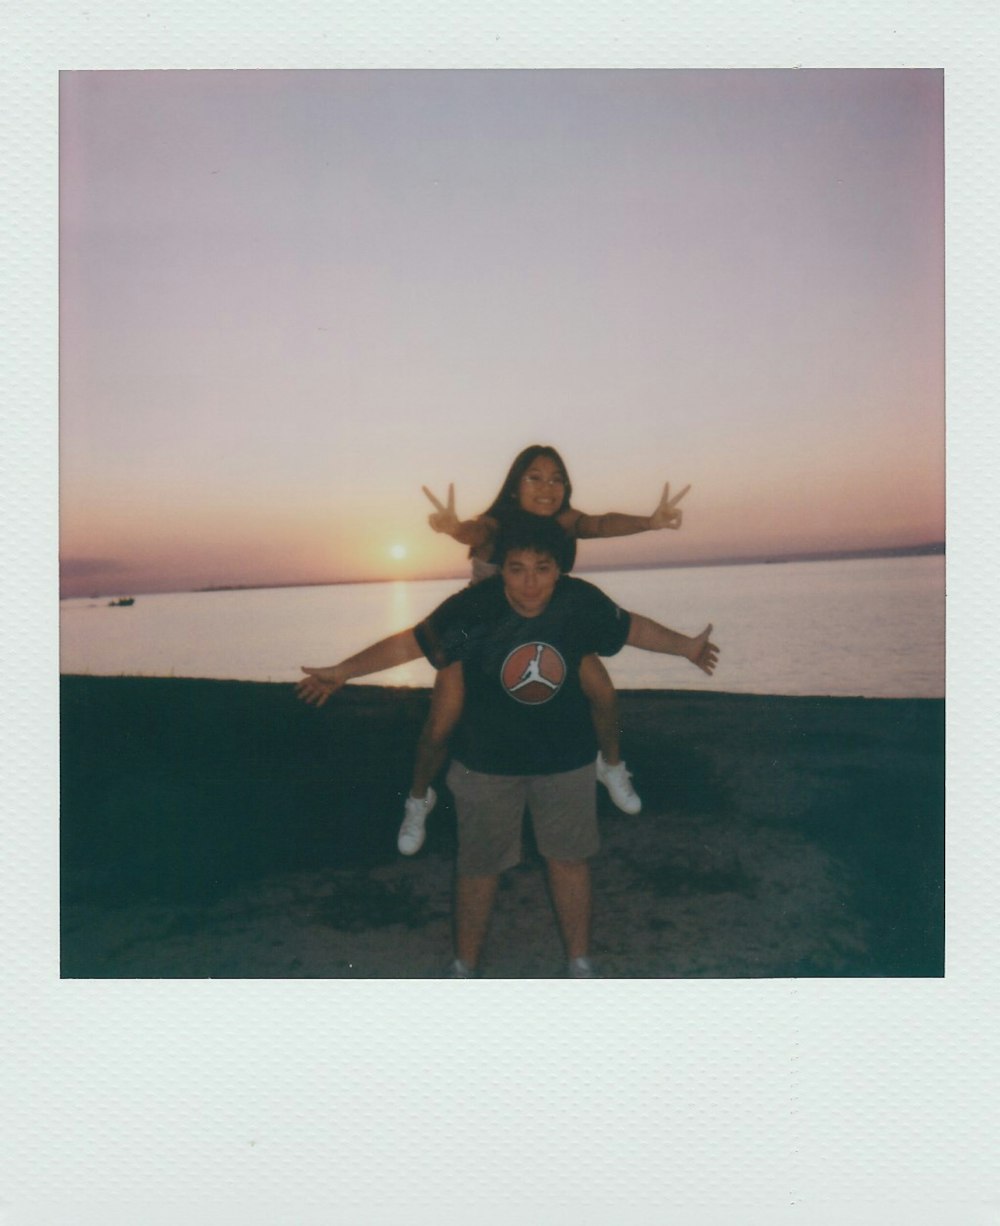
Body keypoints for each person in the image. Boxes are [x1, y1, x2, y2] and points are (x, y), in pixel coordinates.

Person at [297, 511, 718, 979]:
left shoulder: (580, 603)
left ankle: (579, 964)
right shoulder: (472, 611)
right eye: (517, 569)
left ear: (560, 570)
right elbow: (409, 644)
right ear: (502, 571)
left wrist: (687, 647)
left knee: (569, 861)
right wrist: (343, 671)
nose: (530, 584)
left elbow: (633, 628)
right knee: (478, 869)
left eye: (542, 569)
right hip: (486, 764)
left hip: (566, 760)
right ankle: (465, 966)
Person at [399, 443, 691, 856]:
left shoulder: (564, 521)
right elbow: (476, 533)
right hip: (482, 630)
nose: (547, 487)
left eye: (556, 479)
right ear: (515, 486)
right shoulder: (496, 523)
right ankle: (417, 799)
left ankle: (610, 767)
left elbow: (602, 524)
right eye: (534, 477)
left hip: (547, 625)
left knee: (603, 692)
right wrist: (453, 528)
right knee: (440, 725)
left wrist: (651, 521)